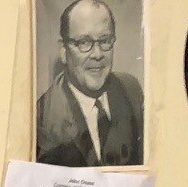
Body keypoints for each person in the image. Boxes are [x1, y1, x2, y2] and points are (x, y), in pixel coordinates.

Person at [34, 0, 144, 168]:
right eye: (84, 42)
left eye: (105, 40)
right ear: (64, 50)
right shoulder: (41, 119)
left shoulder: (131, 90)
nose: (97, 54)